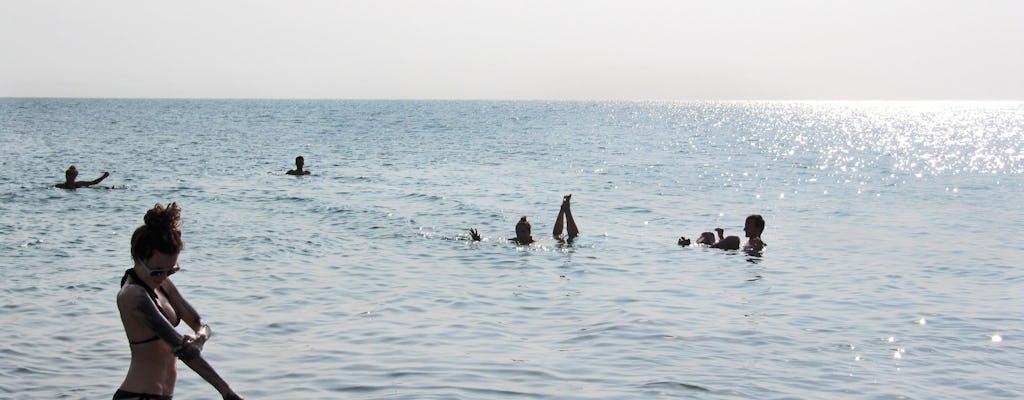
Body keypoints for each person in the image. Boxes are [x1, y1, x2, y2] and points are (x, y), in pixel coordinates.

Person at [115, 202, 243, 400]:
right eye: (157, 270)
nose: (163, 276)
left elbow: (201, 324)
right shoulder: (133, 296)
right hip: (138, 395)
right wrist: (227, 392)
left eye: (170, 270)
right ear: (137, 257)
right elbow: (180, 349)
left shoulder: (162, 284)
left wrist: (200, 338)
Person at [678, 215, 766, 252]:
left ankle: (689, 246)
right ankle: (693, 244)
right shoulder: (750, 241)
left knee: (734, 239)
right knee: (708, 234)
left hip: (733, 252)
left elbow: (758, 247)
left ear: (757, 229)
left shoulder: (757, 242)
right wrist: (721, 237)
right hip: (724, 249)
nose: (744, 229)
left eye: (748, 226)